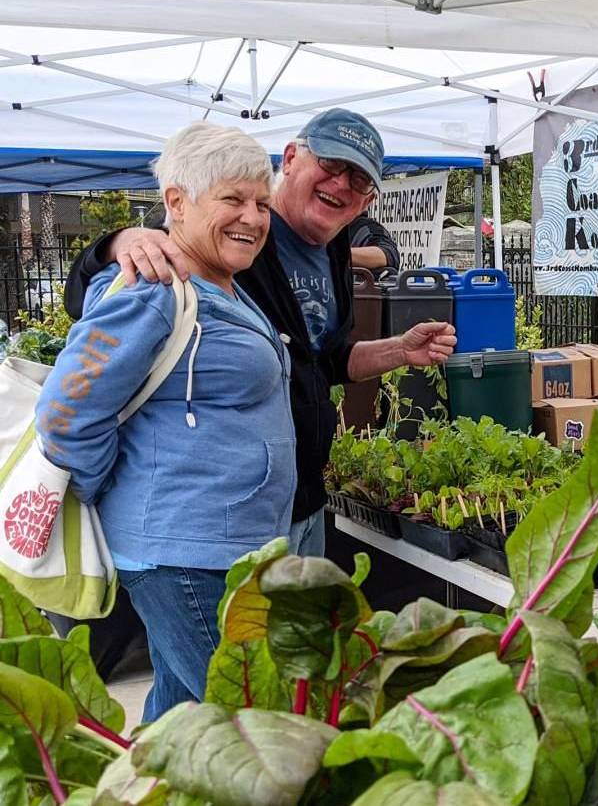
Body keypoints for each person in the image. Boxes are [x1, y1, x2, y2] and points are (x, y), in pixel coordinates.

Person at [65, 108, 456, 557]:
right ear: (290, 159)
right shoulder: (233, 233)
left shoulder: (335, 253)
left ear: (366, 203)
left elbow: (321, 361)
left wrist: (399, 351)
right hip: (216, 525)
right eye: (331, 165)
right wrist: (115, 244)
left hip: (302, 500)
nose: (341, 184)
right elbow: (95, 298)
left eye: (359, 180)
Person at [39, 122, 295, 720]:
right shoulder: (152, 288)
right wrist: (107, 487)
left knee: (181, 718)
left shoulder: (225, 283)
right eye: (232, 199)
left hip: (221, 549)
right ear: (176, 202)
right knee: (248, 725)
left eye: (261, 203)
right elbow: (65, 411)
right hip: (185, 556)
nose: (252, 218)